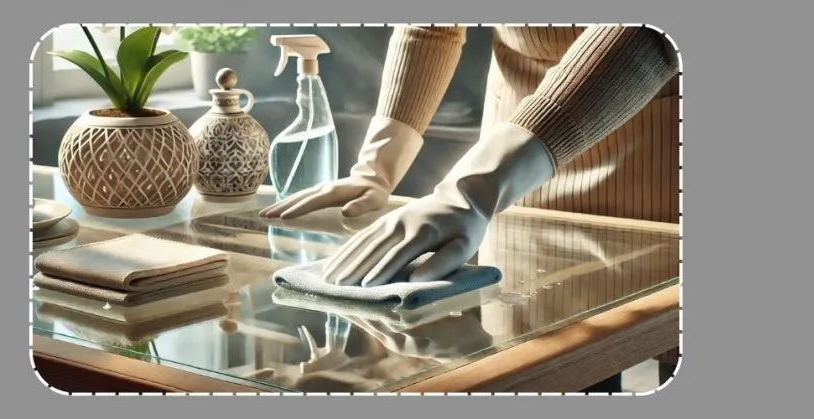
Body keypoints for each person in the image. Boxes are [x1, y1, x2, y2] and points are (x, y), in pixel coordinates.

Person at [261, 24, 680, 392]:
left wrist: (470, 190)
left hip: (651, 154)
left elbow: (648, 32)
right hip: (516, 177)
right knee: (546, 364)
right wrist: (377, 166)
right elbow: (430, 26)